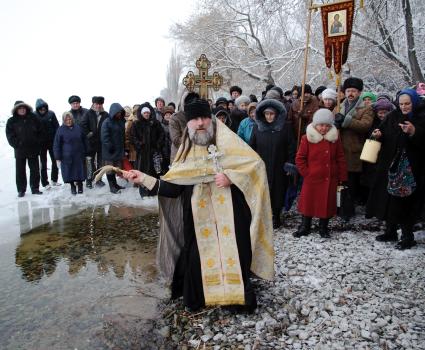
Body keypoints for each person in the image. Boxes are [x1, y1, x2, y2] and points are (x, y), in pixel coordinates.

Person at [122, 98, 274, 312]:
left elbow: (256, 166)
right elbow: (174, 186)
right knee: (196, 257)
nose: (200, 123)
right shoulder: (185, 150)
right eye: (195, 119)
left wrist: (231, 177)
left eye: (204, 118)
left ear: (210, 119)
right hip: (198, 217)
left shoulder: (228, 141)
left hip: (232, 214)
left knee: (236, 252)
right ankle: (204, 296)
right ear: (188, 123)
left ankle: (235, 300)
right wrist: (144, 179)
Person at [366, 89, 425, 250]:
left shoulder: (421, 117)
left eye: (408, 103)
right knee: (388, 199)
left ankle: (408, 236)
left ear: (414, 102)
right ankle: (390, 231)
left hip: (411, 167)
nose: (404, 107)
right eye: (401, 104)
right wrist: (378, 134)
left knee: (406, 201)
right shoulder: (393, 116)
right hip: (390, 165)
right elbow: (383, 132)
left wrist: (414, 132)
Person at [294, 109, 347, 238]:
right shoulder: (307, 138)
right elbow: (300, 158)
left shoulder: (334, 138)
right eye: (321, 125)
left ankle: (323, 227)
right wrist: (307, 173)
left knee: (327, 204)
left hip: (330, 178)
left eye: (327, 125)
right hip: (312, 178)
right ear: (315, 124)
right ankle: (305, 226)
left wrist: (342, 176)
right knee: (309, 203)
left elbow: (340, 157)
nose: (324, 128)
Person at [250, 99, 296, 229]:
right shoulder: (257, 128)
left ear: (277, 114)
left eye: (272, 114)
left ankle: (276, 216)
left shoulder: (285, 128)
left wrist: (290, 164)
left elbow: (291, 147)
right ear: (263, 115)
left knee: (278, 191)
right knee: (263, 191)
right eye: (267, 114)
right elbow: (251, 147)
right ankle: (263, 216)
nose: (269, 116)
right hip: (262, 167)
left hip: (279, 166)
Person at [334, 77, 374, 209]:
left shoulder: (366, 108)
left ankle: (348, 209)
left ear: (359, 92)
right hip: (338, 150)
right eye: (348, 90)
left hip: (353, 151)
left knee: (351, 183)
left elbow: (365, 125)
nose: (350, 93)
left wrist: (346, 120)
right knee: (338, 180)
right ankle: (338, 207)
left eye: (354, 91)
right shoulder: (339, 106)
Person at [6, 101, 43, 197]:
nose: (22, 110)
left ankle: (35, 188)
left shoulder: (33, 118)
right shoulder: (11, 121)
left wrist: (37, 142)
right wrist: (17, 144)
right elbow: (10, 136)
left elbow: (40, 131)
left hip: (33, 149)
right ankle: (21, 190)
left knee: (35, 170)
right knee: (20, 171)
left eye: (23, 108)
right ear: (16, 110)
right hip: (20, 150)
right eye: (20, 108)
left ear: (26, 109)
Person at [131, 103, 164, 196]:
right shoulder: (136, 124)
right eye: (145, 113)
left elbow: (162, 134)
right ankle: (144, 193)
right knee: (142, 173)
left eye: (148, 113)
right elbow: (133, 137)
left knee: (154, 173)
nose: (146, 114)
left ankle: (153, 192)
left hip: (153, 152)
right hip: (142, 154)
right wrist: (139, 145)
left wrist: (158, 145)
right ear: (142, 114)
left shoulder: (155, 123)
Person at [53, 112, 87, 195]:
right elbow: (57, 144)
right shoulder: (60, 130)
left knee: (80, 170)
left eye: (70, 119)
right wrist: (57, 157)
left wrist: (87, 151)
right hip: (67, 155)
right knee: (69, 171)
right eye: (66, 120)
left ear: (72, 119)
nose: (68, 121)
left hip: (79, 154)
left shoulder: (78, 128)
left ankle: (80, 185)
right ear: (64, 120)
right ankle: (72, 186)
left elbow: (85, 140)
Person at [81, 96, 109, 188]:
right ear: (93, 104)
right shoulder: (88, 113)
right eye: (96, 104)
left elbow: (108, 126)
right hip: (90, 142)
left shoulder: (105, 114)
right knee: (89, 161)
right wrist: (89, 134)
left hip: (101, 142)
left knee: (101, 162)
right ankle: (89, 179)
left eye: (100, 104)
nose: (98, 106)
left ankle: (99, 179)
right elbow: (83, 125)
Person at [34, 98, 60, 188]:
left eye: (44, 107)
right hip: (40, 144)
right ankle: (45, 183)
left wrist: (58, 139)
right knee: (43, 163)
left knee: (55, 161)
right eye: (40, 108)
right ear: (37, 108)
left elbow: (57, 127)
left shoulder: (51, 114)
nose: (42, 109)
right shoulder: (34, 115)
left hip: (52, 142)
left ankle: (54, 180)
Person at [101, 103, 126, 193]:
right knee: (109, 170)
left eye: (120, 112)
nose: (119, 114)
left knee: (115, 169)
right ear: (113, 112)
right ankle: (112, 187)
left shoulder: (121, 122)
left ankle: (115, 184)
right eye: (117, 112)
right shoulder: (107, 122)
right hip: (109, 151)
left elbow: (123, 136)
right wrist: (109, 147)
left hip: (118, 150)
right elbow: (104, 137)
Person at [169, 92, 199, 163]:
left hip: (196, 155)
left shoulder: (199, 117)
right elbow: (176, 140)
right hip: (180, 155)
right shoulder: (175, 118)